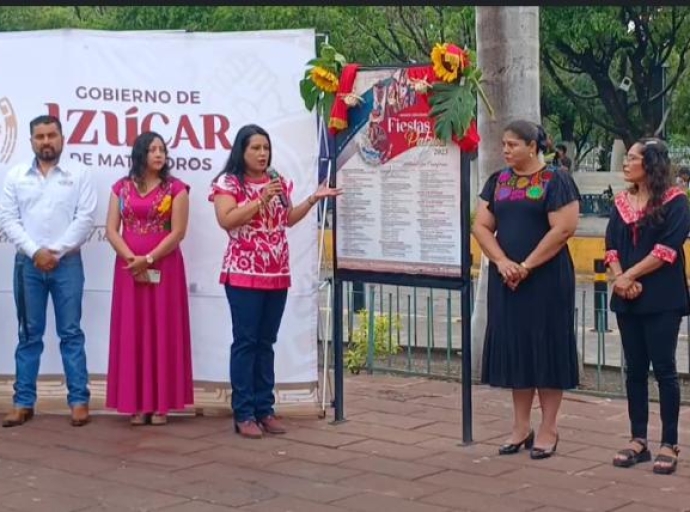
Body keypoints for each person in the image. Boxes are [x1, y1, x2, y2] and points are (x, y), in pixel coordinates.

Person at [209, 124, 341, 439]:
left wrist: (312, 200)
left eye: (265, 148)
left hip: (276, 273)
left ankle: (264, 409)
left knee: (266, 342)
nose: (262, 154)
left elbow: (287, 218)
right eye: (255, 148)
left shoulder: (277, 181)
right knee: (246, 342)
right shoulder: (228, 183)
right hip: (243, 273)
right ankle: (243, 412)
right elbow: (227, 219)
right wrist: (259, 200)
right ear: (242, 150)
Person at [472, 120, 580, 459]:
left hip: (546, 280)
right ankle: (521, 426)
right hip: (507, 280)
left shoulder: (556, 180)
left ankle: (548, 428)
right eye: (503, 144)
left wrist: (527, 265)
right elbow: (481, 225)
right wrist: (502, 261)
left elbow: (563, 229)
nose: (505, 150)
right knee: (517, 347)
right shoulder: (498, 181)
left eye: (512, 145)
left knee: (546, 346)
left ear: (533, 146)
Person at [0, 114, 97, 428]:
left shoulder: (79, 174)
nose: (46, 142)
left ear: (62, 138)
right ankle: (23, 402)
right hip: (27, 265)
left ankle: (79, 400)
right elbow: (8, 219)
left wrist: (54, 252)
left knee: (71, 333)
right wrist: (36, 252)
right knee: (29, 335)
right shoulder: (15, 175)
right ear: (31, 141)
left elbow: (85, 218)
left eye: (51, 135)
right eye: (39, 137)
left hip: (67, 263)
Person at [605, 138, 690, 475]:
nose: (626, 163)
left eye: (633, 158)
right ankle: (637, 438)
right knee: (635, 369)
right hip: (628, 294)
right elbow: (611, 245)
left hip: (661, 296)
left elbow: (667, 250)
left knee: (665, 369)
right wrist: (619, 278)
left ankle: (670, 442)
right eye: (626, 158)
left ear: (650, 164)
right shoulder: (621, 201)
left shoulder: (675, 202)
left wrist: (629, 276)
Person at [104, 131, 193, 426]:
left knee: (162, 330)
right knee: (133, 331)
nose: (158, 154)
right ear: (140, 154)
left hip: (164, 268)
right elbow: (111, 230)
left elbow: (178, 232)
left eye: (162, 150)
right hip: (128, 269)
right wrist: (132, 260)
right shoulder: (121, 187)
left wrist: (149, 259)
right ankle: (136, 404)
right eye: (152, 149)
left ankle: (161, 405)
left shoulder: (176, 189)